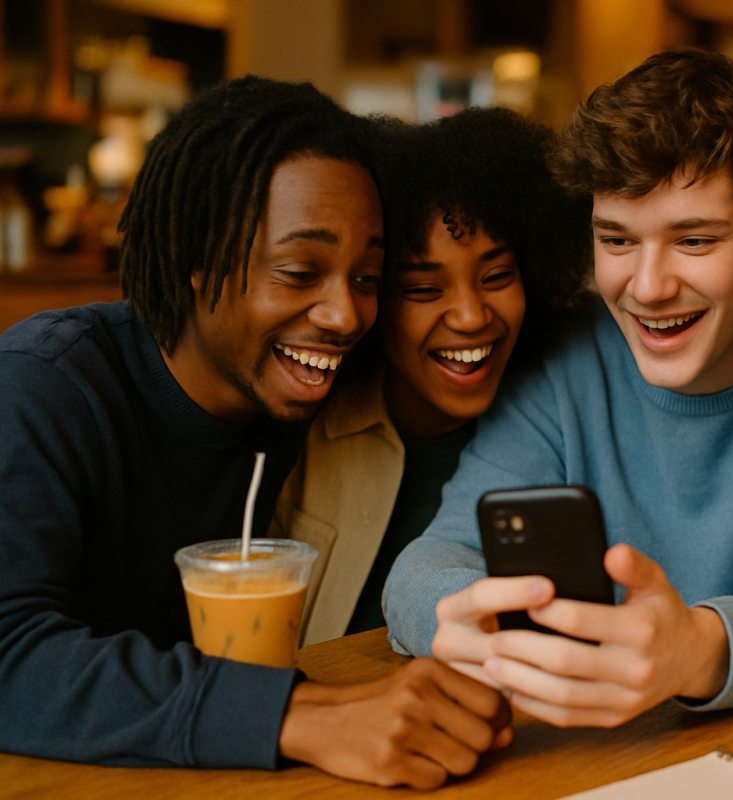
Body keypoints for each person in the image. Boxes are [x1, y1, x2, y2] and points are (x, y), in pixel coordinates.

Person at [0, 76, 510, 789]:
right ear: (194, 257)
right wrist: (299, 717)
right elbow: (9, 650)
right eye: (300, 272)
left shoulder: (313, 386)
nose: (344, 316)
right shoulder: (45, 388)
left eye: (367, 278)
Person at [384, 48, 733, 728]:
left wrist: (695, 651)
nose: (647, 288)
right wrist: (468, 624)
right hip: (589, 753)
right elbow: (428, 565)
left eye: (694, 241)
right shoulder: (561, 357)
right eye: (617, 241)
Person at [270, 106, 590, 646]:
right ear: (371, 296)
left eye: (497, 276)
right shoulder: (304, 433)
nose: (470, 316)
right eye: (423, 289)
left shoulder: (558, 432)